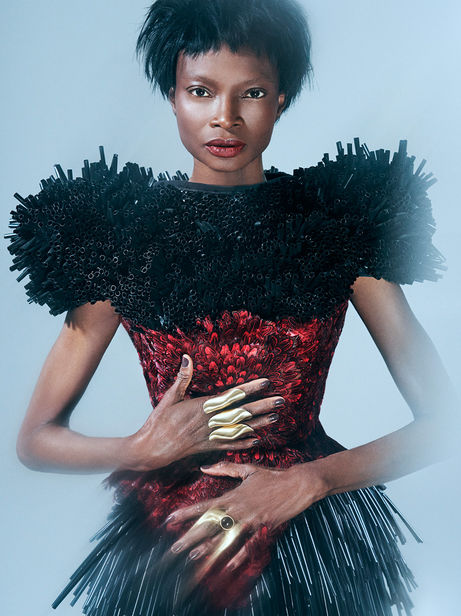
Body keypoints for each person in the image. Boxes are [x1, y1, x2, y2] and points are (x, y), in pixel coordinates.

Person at [5, 0, 459, 614]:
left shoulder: (341, 225)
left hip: (307, 537)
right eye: (201, 91)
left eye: (252, 92)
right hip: (173, 542)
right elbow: (35, 440)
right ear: (172, 95)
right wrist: (136, 449)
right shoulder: (118, 237)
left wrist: (310, 480)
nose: (225, 117)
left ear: (281, 100)